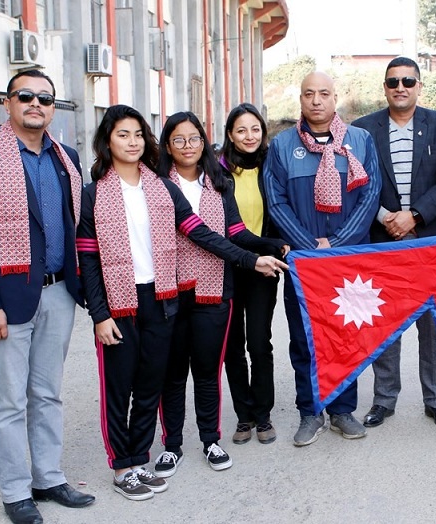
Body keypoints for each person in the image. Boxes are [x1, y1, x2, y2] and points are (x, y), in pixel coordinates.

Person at [77, 105, 284, 501]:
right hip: (120, 303)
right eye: (122, 135)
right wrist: (99, 313)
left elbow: (202, 233)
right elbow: (87, 259)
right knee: (120, 388)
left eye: (138, 134)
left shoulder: (162, 190)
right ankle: (122, 466)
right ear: (107, 141)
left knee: (150, 385)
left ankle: (139, 461)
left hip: (161, 297)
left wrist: (253, 257)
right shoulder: (93, 195)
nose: (132, 142)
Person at [0, 70, 94, 524]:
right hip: (6, 298)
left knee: (47, 393)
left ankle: (48, 477)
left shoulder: (66, 158)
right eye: (25, 96)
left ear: (53, 108)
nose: (36, 103)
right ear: (8, 103)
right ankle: (16, 491)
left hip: (58, 293)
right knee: (9, 400)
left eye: (45, 98)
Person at [152, 111, 289, 477]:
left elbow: (236, 231)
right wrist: (251, 259)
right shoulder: (157, 185)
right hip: (169, 291)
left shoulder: (219, 183)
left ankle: (211, 440)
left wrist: (271, 245)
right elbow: (203, 235)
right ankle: (172, 445)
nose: (188, 146)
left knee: (208, 369)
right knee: (173, 373)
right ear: (167, 145)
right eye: (179, 140)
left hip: (213, 289)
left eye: (194, 138)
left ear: (204, 141)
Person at [264, 71, 381, 446]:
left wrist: (339, 243)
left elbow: (371, 196)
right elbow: (276, 201)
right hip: (304, 264)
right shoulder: (282, 145)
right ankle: (310, 411)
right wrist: (308, 246)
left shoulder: (360, 141)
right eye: (309, 94)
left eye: (324, 93)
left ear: (335, 98)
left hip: (348, 260)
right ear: (300, 99)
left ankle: (342, 410)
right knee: (305, 339)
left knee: (346, 335)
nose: (316, 100)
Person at [351, 56, 436, 429]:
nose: (401, 87)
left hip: (431, 240)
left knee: (432, 324)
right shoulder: (363, 130)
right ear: (384, 87)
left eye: (408, 81)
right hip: (383, 239)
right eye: (393, 82)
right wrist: (386, 217)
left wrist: (414, 215)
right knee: (386, 322)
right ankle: (384, 399)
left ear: (419, 86)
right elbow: (359, 183)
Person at [221, 104, 286, 445]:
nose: (249, 136)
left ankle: (263, 415)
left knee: (259, 342)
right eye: (241, 130)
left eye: (255, 129)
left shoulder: (271, 167)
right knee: (232, 346)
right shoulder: (217, 171)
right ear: (230, 135)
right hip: (227, 267)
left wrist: (278, 246)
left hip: (264, 266)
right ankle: (243, 416)